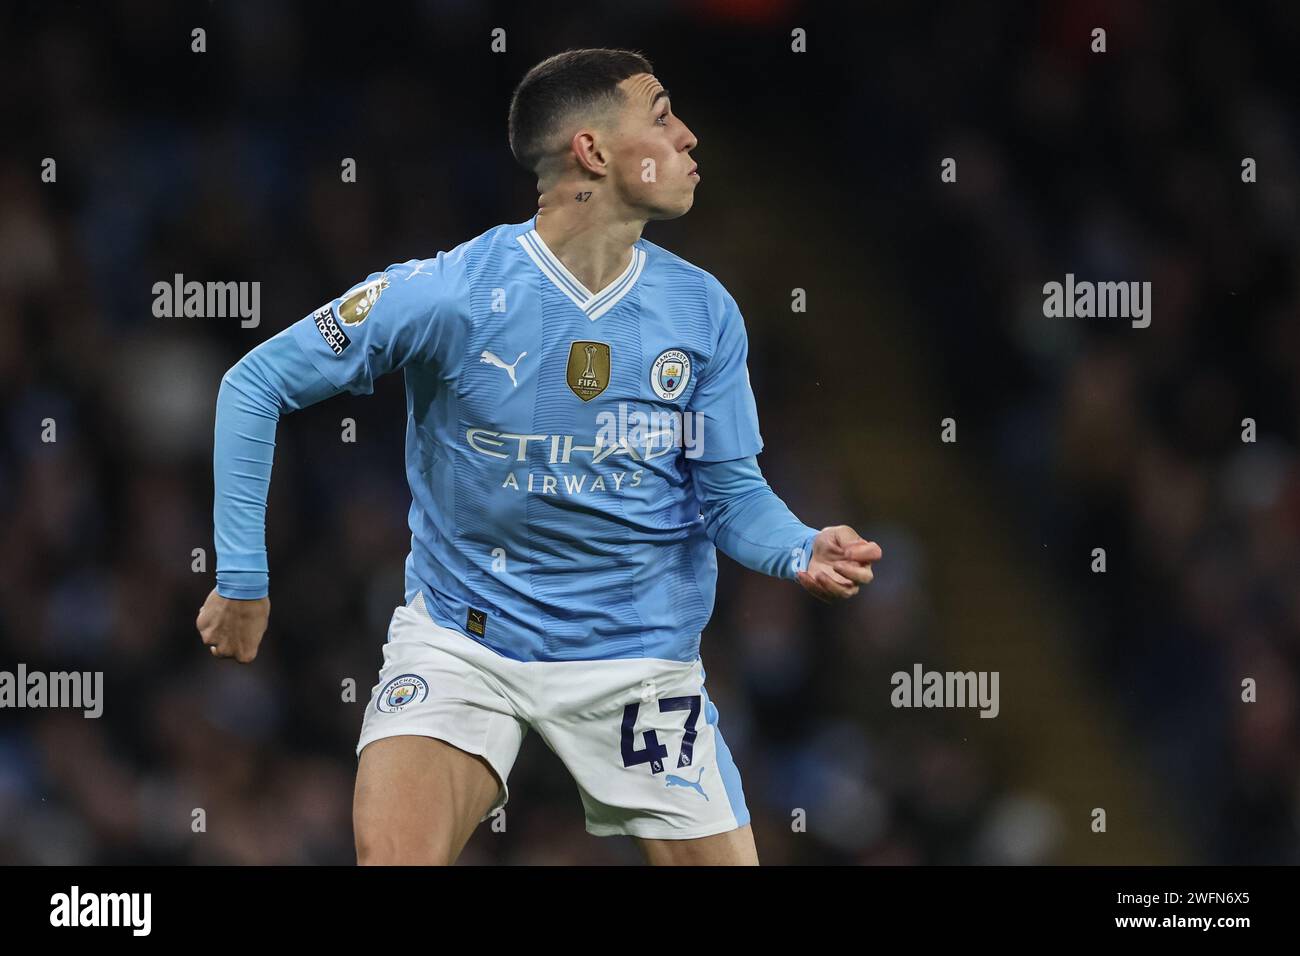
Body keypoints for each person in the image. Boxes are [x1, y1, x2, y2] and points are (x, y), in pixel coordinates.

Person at [197, 48, 882, 866]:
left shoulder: (703, 313)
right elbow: (254, 384)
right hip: (465, 641)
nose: (691, 136)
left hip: (638, 661)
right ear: (592, 151)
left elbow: (730, 495)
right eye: (662, 115)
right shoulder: (449, 293)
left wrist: (799, 546)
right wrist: (241, 574)